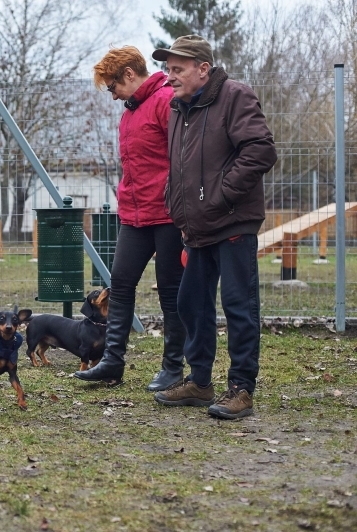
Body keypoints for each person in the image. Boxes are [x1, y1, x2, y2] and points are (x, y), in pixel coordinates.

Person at [150, 35, 277, 419]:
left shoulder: (235, 96)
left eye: (177, 69)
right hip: (197, 227)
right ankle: (200, 381)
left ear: (202, 69)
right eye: (167, 69)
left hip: (233, 221)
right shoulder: (178, 109)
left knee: (238, 305)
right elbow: (178, 168)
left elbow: (260, 150)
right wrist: (179, 203)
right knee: (191, 303)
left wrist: (218, 196)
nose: (169, 76)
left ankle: (241, 388)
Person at [74, 46, 187, 391]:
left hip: (167, 215)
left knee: (171, 293)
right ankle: (112, 362)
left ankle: (172, 368)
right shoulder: (130, 111)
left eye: (112, 87)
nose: (112, 95)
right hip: (134, 216)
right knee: (120, 285)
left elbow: (184, 157)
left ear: (128, 75)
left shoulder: (166, 101)